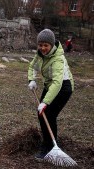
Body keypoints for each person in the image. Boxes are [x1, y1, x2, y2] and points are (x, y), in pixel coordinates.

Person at [27, 29, 74, 160]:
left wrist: (45, 102)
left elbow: (57, 83)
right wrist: (32, 79)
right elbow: (32, 66)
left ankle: (49, 147)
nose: (42, 48)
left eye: (45, 45)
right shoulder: (40, 54)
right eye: (40, 44)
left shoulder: (58, 59)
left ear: (52, 45)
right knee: (42, 114)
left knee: (49, 114)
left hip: (63, 87)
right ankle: (49, 142)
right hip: (50, 85)